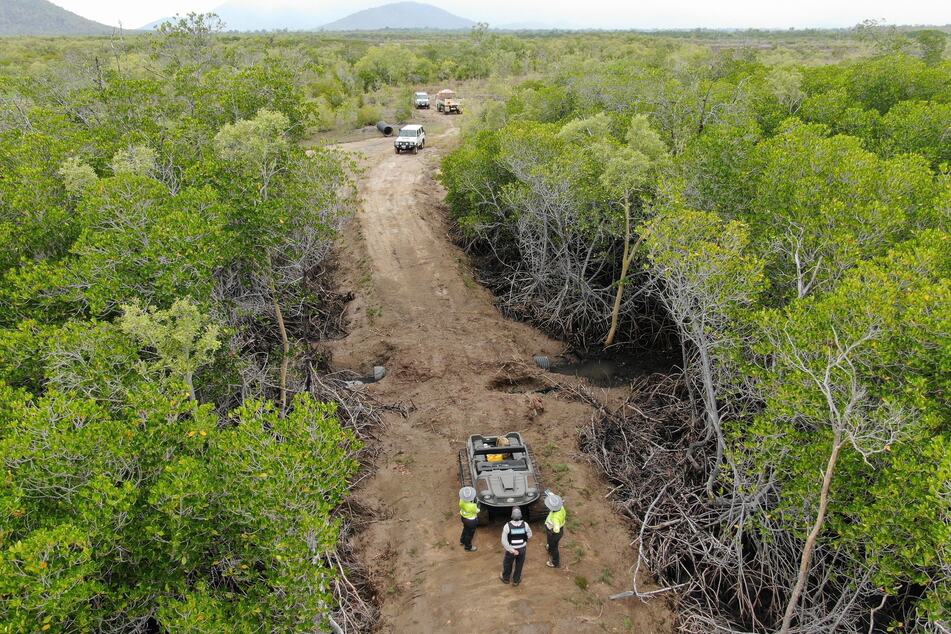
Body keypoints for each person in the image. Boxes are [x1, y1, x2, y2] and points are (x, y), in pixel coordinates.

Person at [500, 507, 532, 586]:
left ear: (512, 516)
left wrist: (512, 550)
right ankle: (516, 581)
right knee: (519, 564)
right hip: (522, 549)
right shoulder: (525, 525)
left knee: (507, 564)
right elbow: (530, 535)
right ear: (521, 516)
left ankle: (506, 578)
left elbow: (503, 541)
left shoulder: (507, 526)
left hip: (511, 550)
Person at [543, 491, 566, 568]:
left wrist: (551, 531)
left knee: (554, 548)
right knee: (551, 544)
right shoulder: (561, 507)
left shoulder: (555, 517)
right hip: (560, 530)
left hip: (554, 533)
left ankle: (555, 563)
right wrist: (550, 495)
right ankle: (549, 547)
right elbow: (555, 500)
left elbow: (556, 529)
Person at [458, 486, 479, 552]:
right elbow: (477, 511)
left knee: (465, 529)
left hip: (464, 518)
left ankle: (462, 540)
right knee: (469, 534)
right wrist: (477, 505)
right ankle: (468, 547)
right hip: (471, 521)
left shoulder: (461, 501)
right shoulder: (472, 506)